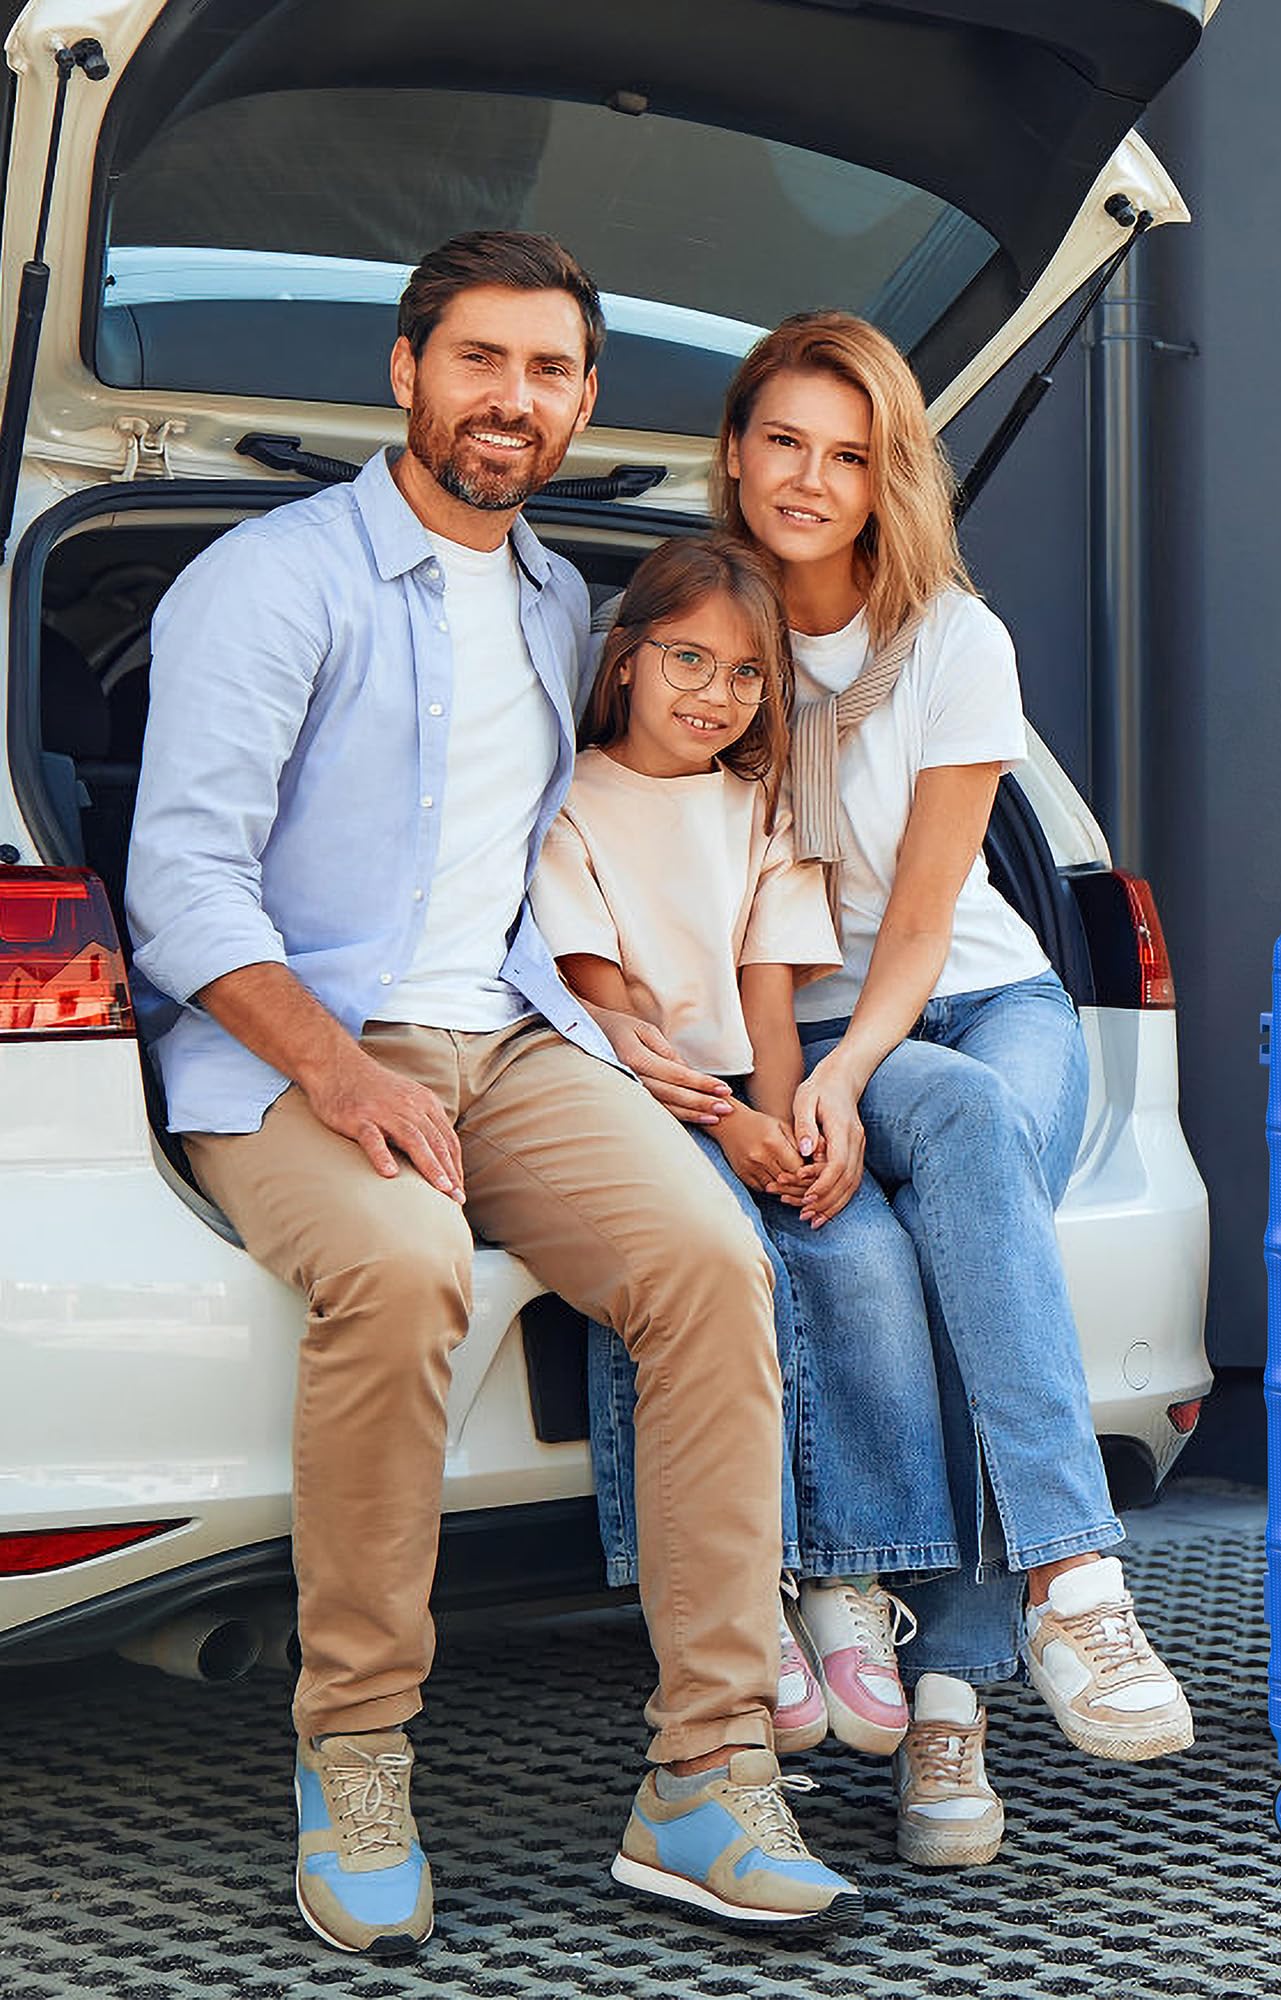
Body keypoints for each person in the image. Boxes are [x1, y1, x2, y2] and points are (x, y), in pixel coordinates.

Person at [124, 233, 862, 1954]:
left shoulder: (555, 601)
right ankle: (356, 1751)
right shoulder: (269, 580)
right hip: (294, 1041)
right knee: (400, 1270)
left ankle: (705, 1775)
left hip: (513, 1041)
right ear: (406, 372)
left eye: (547, 371)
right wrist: (336, 1070)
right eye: (480, 361)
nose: (511, 400)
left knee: (709, 1264)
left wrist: (665, 1054)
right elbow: (181, 886)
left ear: (588, 399)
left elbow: (590, 856)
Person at [718, 310, 1196, 1865]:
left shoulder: (952, 640)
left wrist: (851, 1075)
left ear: (886, 480)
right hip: (803, 1021)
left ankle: (1043, 1608)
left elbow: (926, 916)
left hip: (986, 1007)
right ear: (735, 453)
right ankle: (975, 1685)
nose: (809, 478)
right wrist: (794, 1073)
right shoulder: (701, 632)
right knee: (941, 1259)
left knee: (975, 1135)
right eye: (784, 442)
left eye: (846, 455)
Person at [530, 533, 961, 1764]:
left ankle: (850, 1581)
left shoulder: (759, 804)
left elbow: (764, 999)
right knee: (728, 1267)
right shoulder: (564, 805)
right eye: (687, 660)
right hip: (633, 1093)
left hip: (742, 1090)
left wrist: (789, 1127)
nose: (715, 695)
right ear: (623, 659)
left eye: (747, 675)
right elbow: (604, 1000)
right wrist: (731, 1131)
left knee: (859, 1252)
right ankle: (746, 1591)